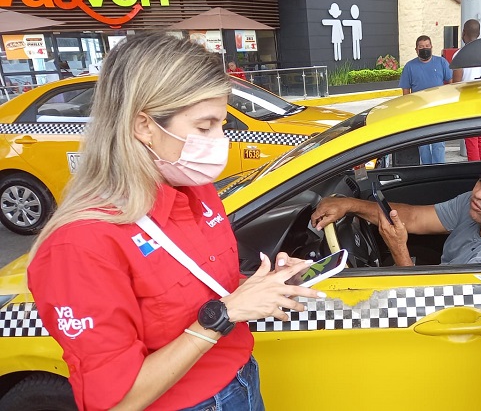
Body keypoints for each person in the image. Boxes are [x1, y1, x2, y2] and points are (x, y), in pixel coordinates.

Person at [26, 33, 325, 411]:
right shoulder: (80, 244)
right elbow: (118, 401)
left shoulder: (195, 190)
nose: (221, 140)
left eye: (222, 123)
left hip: (241, 379)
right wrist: (223, 317)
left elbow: (200, 290)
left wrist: (264, 286)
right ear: (144, 126)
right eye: (205, 127)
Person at [311, 150, 481, 265]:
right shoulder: (474, 206)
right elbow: (415, 217)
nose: (479, 194)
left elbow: (439, 312)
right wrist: (349, 205)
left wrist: (399, 250)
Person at [399, 35, 453, 164]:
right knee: (423, 145)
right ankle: (427, 170)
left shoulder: (441, 62)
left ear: (432, 47)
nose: (425, 49)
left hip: (438, 109)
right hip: (419, 111)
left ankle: (439, 169)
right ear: (416, 49)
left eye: (427, 46)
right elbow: (406, 91)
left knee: (438, 143)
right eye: (421, 47)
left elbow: (451, 83)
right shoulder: (409, 67)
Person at [452, 19, 481, 162]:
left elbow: (456, 82)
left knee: (471, 140)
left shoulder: (460, 55)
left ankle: (474, 172)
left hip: (468, 101)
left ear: (464, 33)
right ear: (478, 34)